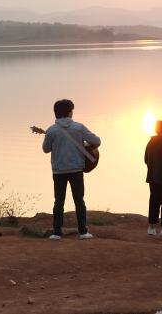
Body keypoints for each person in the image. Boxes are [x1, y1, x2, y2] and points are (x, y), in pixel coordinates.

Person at [42, 99, 101, 240]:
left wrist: (50, 139)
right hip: (76, 170)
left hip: (58, 171)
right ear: (69, 112)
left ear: (56, 113)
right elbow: (97, 141)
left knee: (59, 201)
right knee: (79, 200)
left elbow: (45, 149)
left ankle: (57, 233)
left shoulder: (51, 130)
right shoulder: (79, 128)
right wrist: (85, 143)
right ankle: (83, 232)